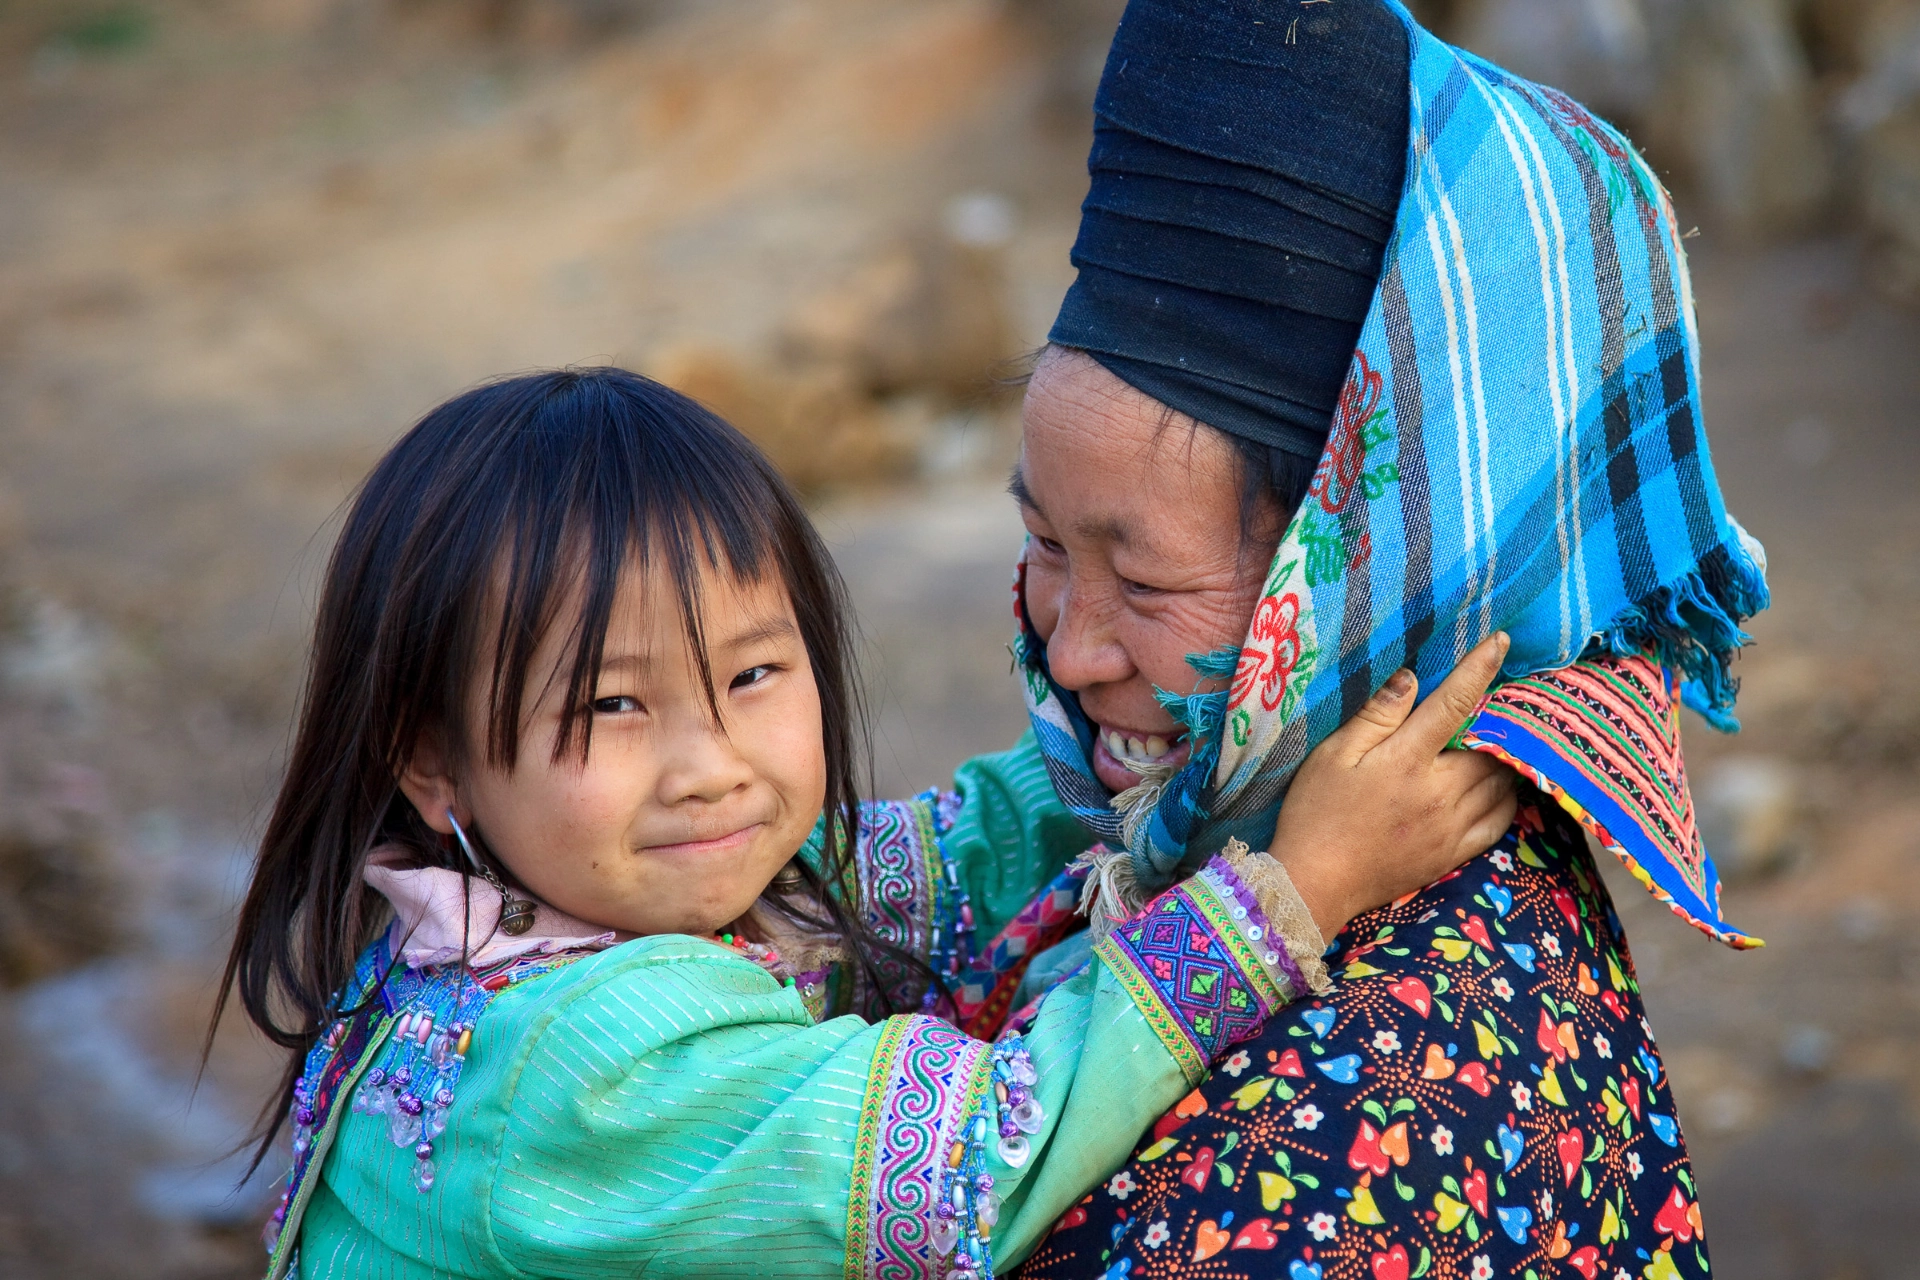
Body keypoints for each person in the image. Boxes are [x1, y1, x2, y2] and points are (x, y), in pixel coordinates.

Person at [216, 368, 1514, 1279]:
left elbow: (955, 852)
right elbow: (981, 1155)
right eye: (612, 704)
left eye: (751, 675)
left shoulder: (604, 888)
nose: (709, 768)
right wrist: (1301, 884)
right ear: (430, 760)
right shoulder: (575, 1071)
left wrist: (1171, 755)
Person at [990, 2, 1770, 1279]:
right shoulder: (1157, 843)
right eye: (1044, 542)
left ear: (1362, 575)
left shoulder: (1366, 1121)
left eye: (1144, 577)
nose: (1071, 654)